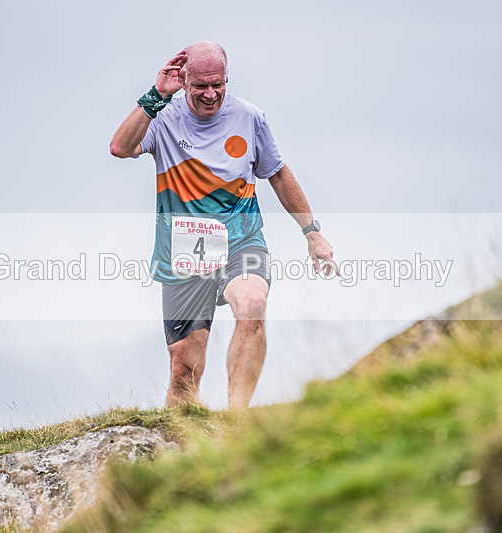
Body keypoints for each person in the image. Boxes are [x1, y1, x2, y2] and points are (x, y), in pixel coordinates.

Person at [110, 41, 336, 409]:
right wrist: (154, 96)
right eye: (201, 86)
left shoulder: (249, 117)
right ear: (183, 82)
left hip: (241, 238)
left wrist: (312, 233)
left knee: (251, 305)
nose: (211, 94)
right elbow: (120, 147)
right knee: (184, 367)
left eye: (219, 84)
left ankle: (236, 423)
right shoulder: (163, 117)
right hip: (185, 252)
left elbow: (277, 174)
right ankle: (178, 449)